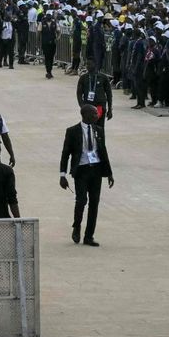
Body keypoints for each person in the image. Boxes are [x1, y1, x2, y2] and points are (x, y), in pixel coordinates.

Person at [59, 103, 113, 246]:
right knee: (82, 200)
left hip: (96, 170)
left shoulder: (99, 130)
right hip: (81, 171)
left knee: (94, 203)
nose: (97, 115)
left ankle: (89, 236)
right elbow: (65, 154)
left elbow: (103, 151)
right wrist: (62, 175)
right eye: (94, 114)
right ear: (85, 115)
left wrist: (109, 173)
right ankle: (77, 225)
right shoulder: (72, 131)